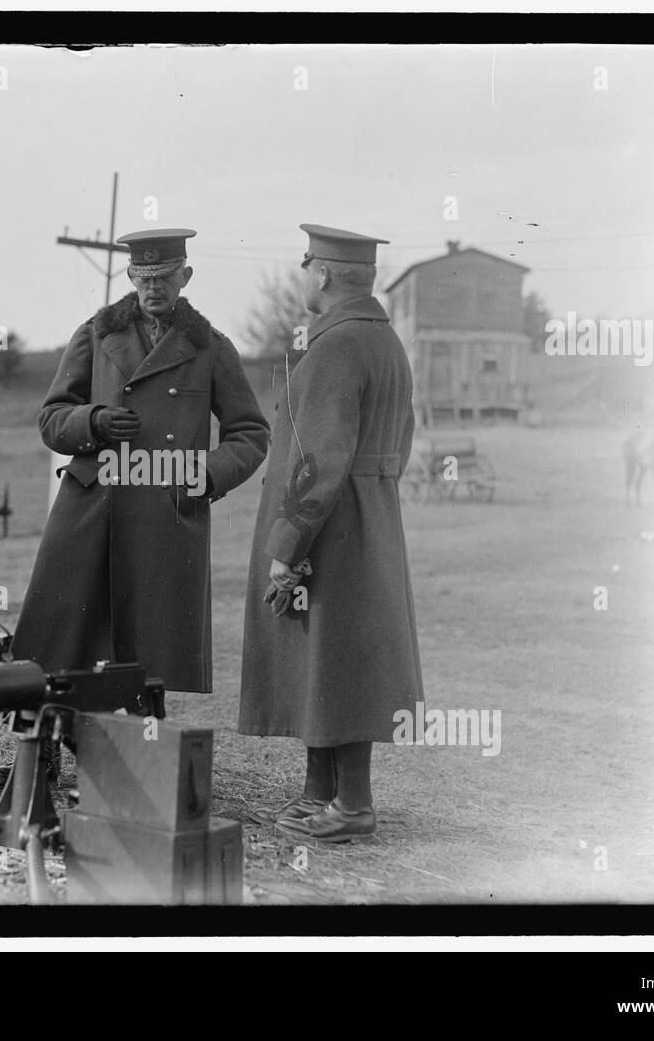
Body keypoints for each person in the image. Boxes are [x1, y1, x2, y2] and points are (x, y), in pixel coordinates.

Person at [9, 228, 268, 710]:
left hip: (165, 512)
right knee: (67, 645)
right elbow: (50, 419)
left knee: (148, 656)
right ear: (130, 276)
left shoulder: (210, 347)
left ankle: (140, 758)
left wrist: (206, 475)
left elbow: (251, 433)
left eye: (165, 277)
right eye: (144, 278)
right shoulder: (96, 333)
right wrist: (94, 420)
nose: (154, 289)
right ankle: (44, 754)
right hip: (92, 509)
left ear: (185, 276)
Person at [238, 223, 424, 842]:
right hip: (370, 517)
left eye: (306, 265)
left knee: (339, 662)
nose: (302, 274)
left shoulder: (337, 345)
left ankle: (353, 806)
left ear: (321, 273)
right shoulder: (383, 341)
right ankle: (321, 794)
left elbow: (316, 459)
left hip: (332, 522)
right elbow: (399, 438)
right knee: (328, 657)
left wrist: (286, 550)